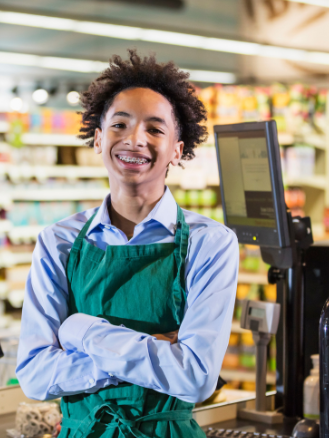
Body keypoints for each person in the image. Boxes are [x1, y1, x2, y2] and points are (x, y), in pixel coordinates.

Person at [16, 49, 239, 438]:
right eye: (120, 125)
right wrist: (154, 352)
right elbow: (35, 375)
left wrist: (81, 332)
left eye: (155, 129)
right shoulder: (59, 242)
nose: (135, 140)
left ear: (177, 150)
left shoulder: (210, 244)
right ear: (99, 138)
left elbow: (195, 377)